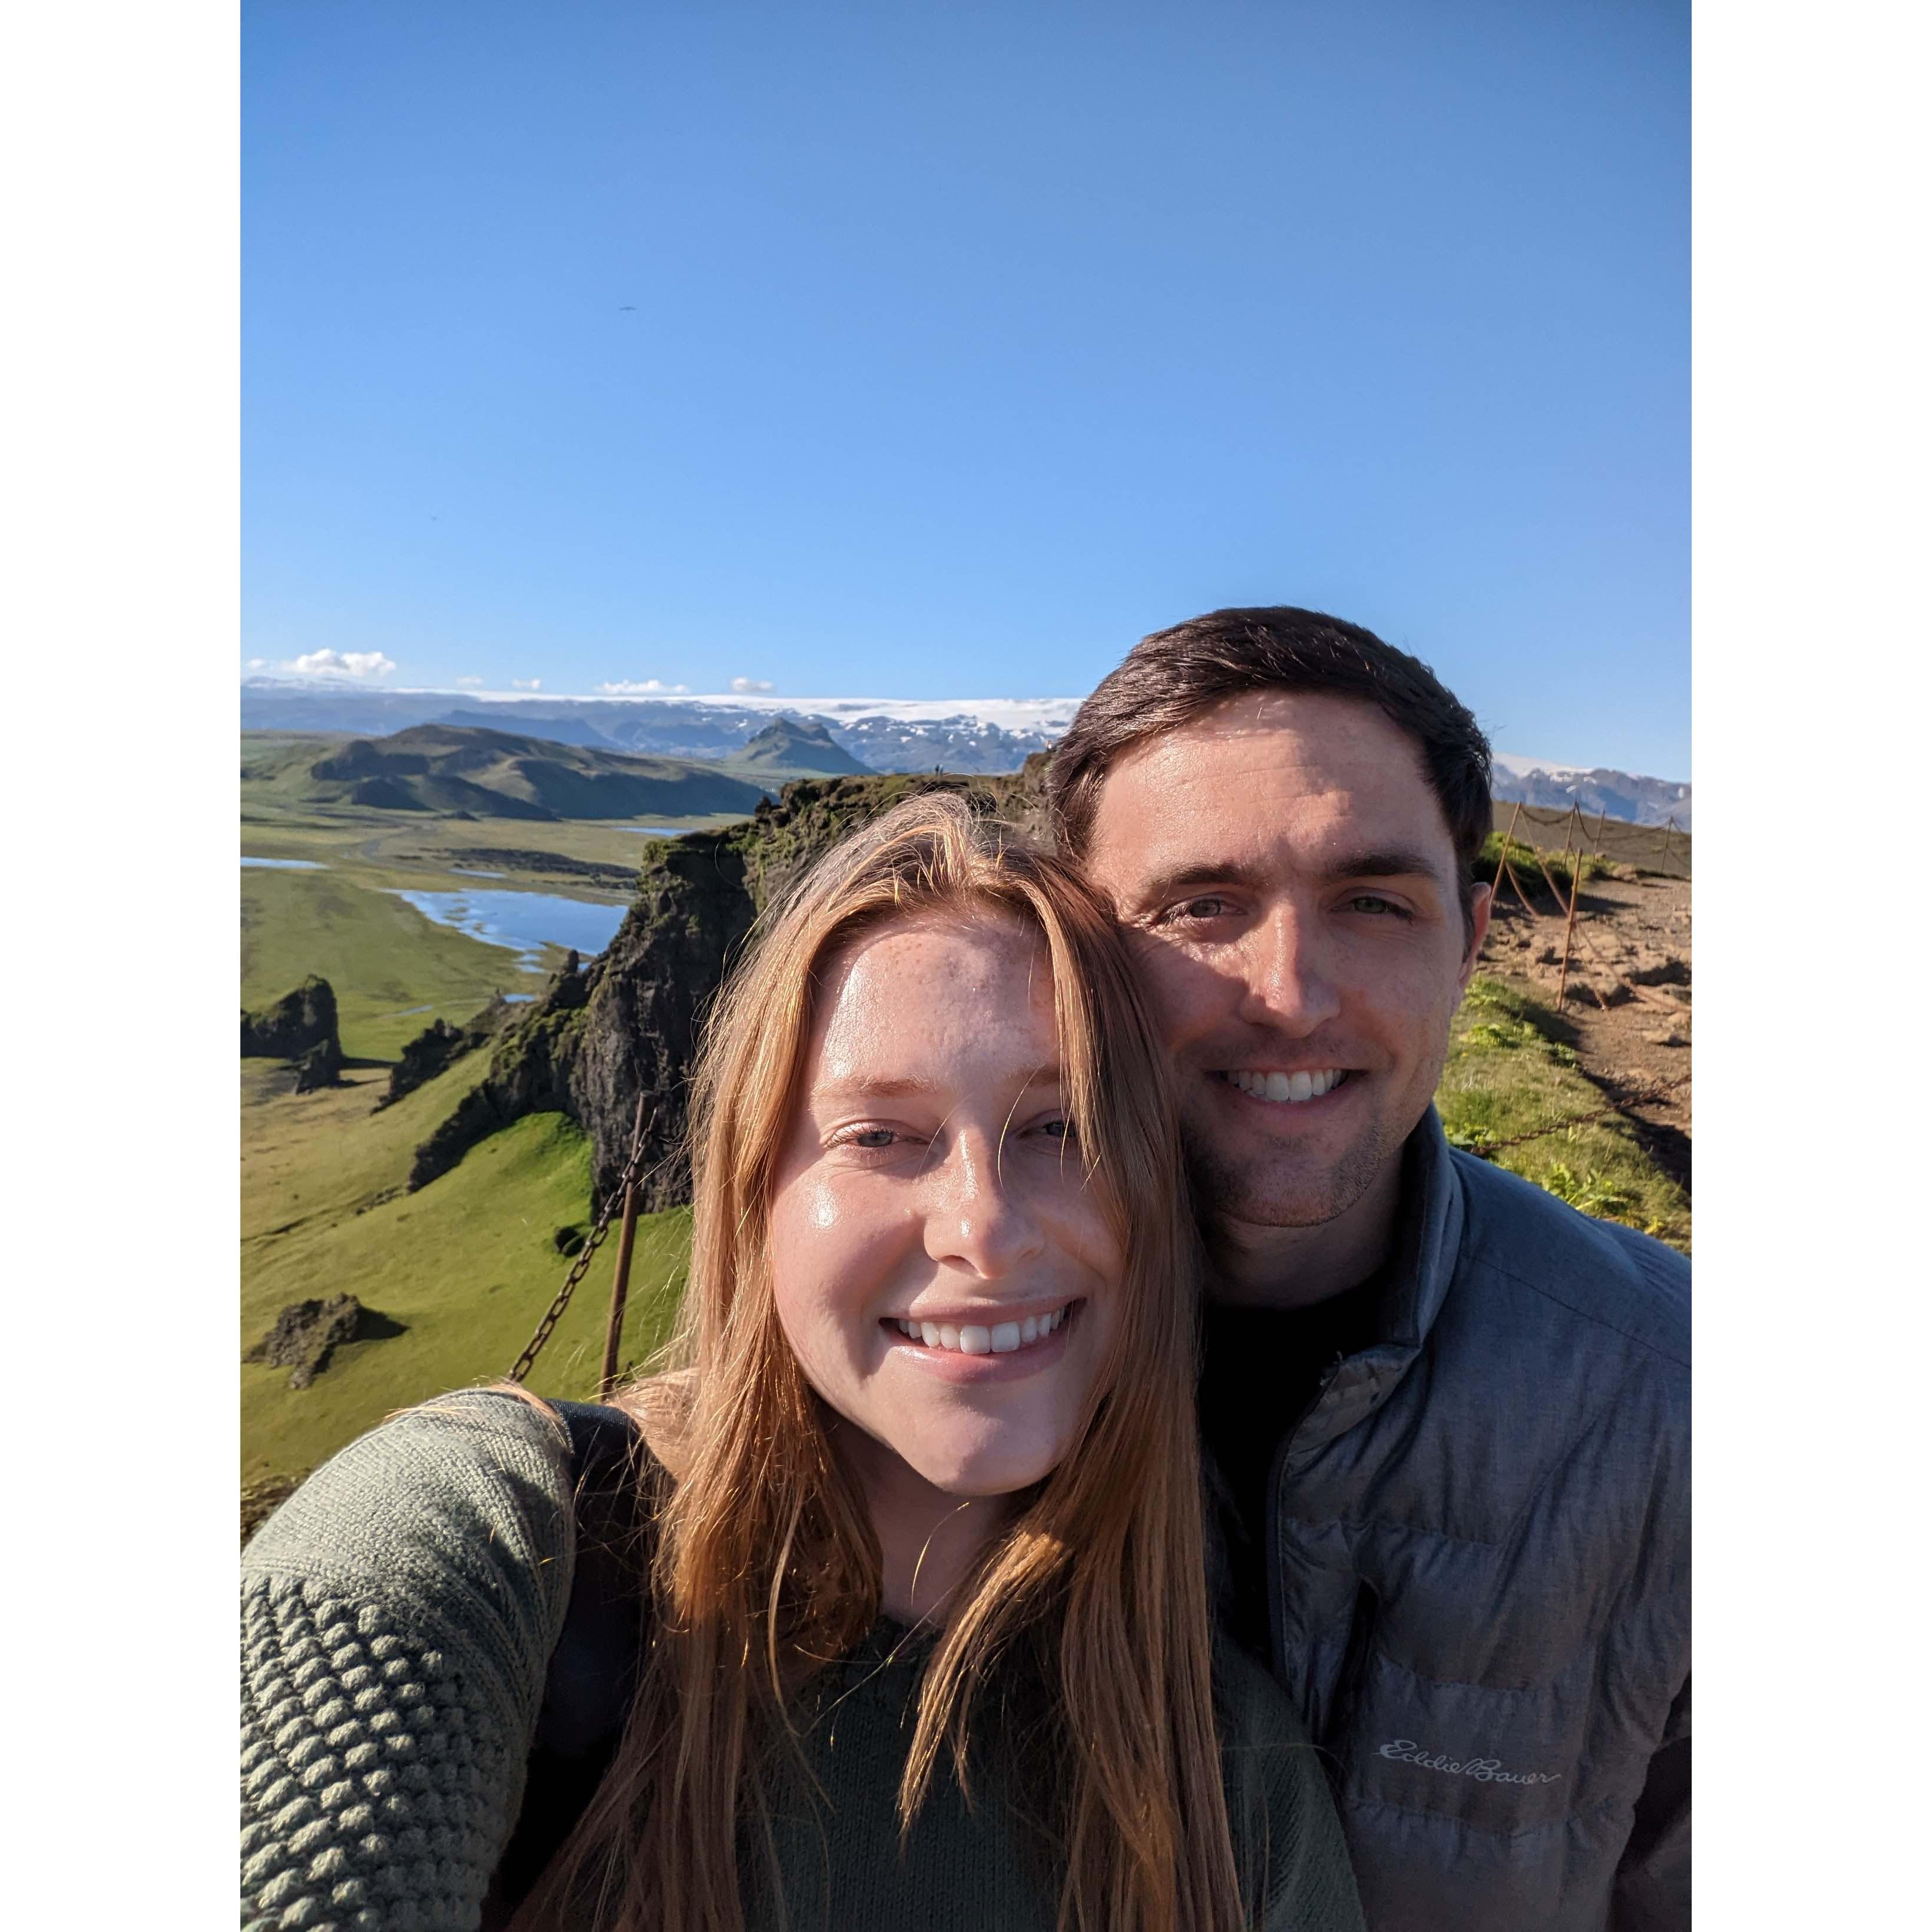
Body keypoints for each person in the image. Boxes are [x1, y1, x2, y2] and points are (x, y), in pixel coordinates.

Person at [240, 794, 1366, 1932]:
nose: (982, 1226)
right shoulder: (492, 1548)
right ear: (753, 1196)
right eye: (878, 1135)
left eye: (1062, 1127)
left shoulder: (1234, 1783)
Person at [1047, 607, 1690, 1932]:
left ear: (1469, 939)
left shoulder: (1690, 1402)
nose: (1289, 989)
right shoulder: (929, 1370)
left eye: (1373, 902)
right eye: (1200, 905)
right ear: (1074, 956)